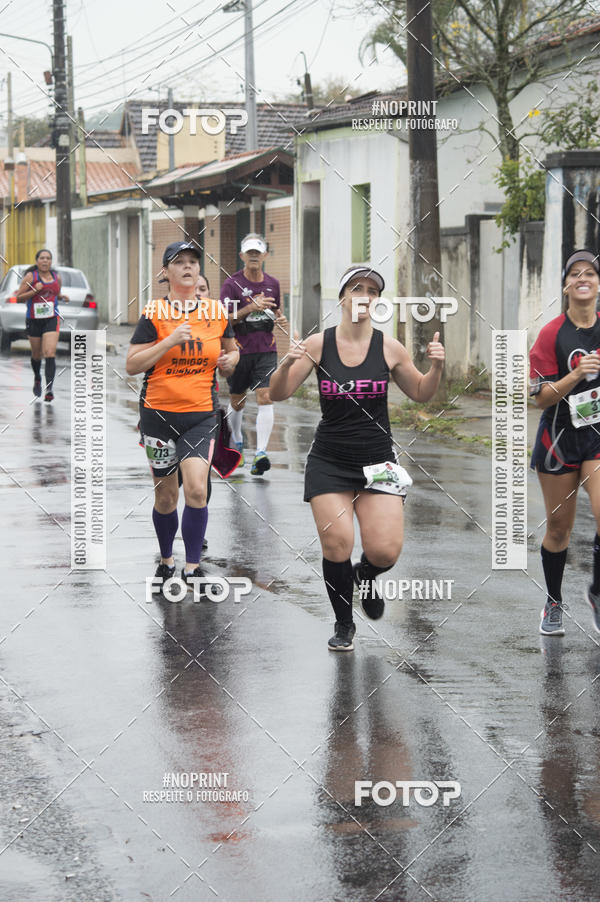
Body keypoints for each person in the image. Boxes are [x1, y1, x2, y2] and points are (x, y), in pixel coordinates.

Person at [269, 265, 445, 650]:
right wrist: (285, 363)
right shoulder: (318, 345)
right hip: (329, 459)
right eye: (356, 288)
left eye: (371, 290)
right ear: (343, 297)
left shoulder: (389, 347)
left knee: (385, 550)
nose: (364, 295)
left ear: (378, 301)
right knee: (338, 542)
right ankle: (344, 623)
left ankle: (365, 575)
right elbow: (278, 394)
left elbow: (420, 393)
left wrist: (436, 367)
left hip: (378, 460)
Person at [126, 241, 239, 590]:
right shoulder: (154, 313)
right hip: (158, 415)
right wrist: (169, 341)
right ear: (166, 273)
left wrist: (230, 362)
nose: (188, 267)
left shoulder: (217, 313)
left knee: (196, 491)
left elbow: (233, 352)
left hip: (200, 415)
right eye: (179, 262)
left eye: (193, 261)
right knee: (166, 496)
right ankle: (166, 559)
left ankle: (192, 566)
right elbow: (132, 365)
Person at [529, 248, 600, 637]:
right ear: (566, 285)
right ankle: (554, 601)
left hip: (598, 439)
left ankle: (597, 593)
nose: (583, 278)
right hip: (558, 438)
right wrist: (576, 375)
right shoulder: (552, 333)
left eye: (590, 273)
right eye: (576, 273)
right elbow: (539, 397)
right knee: (559, 528)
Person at [221, 233, 288, 475]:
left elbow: (275, 310)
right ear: (241, 256)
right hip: (238, 349)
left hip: (266, 349)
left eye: (257, 254)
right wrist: (251, 307)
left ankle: (260, 453)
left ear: (265, 256)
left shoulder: (273, 283)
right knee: (237, 401)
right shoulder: (231, 284)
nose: (253, 257)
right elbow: (224, 318)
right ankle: (236, 444)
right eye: (249, 254)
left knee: (265, 396)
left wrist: (279, 318)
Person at [16, 248, 69, 402]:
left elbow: (56, 294)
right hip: (33, 319)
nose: (45, 261)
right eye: (42, 258)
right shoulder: (30, 277)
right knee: (36, 354)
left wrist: (62, 296)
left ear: (51, 261)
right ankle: (37, 377)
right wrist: (34, 291)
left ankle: (49, 389)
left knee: (50, 352)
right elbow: (19, 298)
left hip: (51, 318)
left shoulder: (56, 277)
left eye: (48, 258)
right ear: (37, 261)